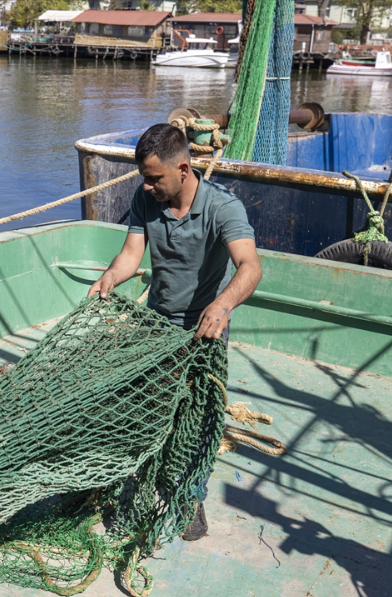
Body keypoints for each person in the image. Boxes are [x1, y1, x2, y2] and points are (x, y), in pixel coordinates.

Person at [87, 123, 262, 541]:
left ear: (183, 169)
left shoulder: (223, 207)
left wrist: (222, 305)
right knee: (149, 411)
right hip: (157, 325)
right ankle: (140, 486)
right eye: (144, 179)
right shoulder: (146, 198)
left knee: (196, 421)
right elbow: (131, 255)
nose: (147, 187)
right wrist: (111, 277)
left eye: (154, 178)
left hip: (204, 331)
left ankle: (190, 498)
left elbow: (250, 267)